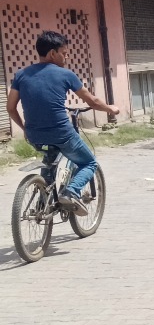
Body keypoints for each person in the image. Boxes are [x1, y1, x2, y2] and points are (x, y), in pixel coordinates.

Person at [5, 31, 120, 216]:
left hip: (34, 135)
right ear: (52, 53)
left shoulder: (21, 75)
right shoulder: (65, 74)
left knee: (49, 162)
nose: (66, 57)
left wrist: (25, 129)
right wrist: (110, 109)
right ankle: (71, 192)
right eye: (64, 53)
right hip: (62, 134)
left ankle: (44, 203)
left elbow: (10, 108)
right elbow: (92, 101)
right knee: (89, 163)